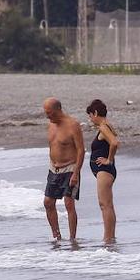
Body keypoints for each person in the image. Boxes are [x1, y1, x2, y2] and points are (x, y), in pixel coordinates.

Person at [42, 97, 85, 242]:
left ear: (58, 110)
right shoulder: (51, 124)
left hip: (70, 168)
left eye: (50, 113)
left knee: (69, 203)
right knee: (48, 202)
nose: (48, 116)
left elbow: (81, 150)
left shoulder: (73, 125)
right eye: (46, 113)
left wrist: (76, 173)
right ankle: (57, 236)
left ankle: (72, 238)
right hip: (54, 168)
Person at [86, 99, 120, 244]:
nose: (89, 119)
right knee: (107, 204)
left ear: (95, 113)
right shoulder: (107, 125)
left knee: (104, 205)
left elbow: (115, 142)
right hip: (104, 171)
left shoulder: (103, 127)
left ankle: (108, 237)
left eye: (90, 115)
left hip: (104, 170)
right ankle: (110, 237)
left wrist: (109, 160)